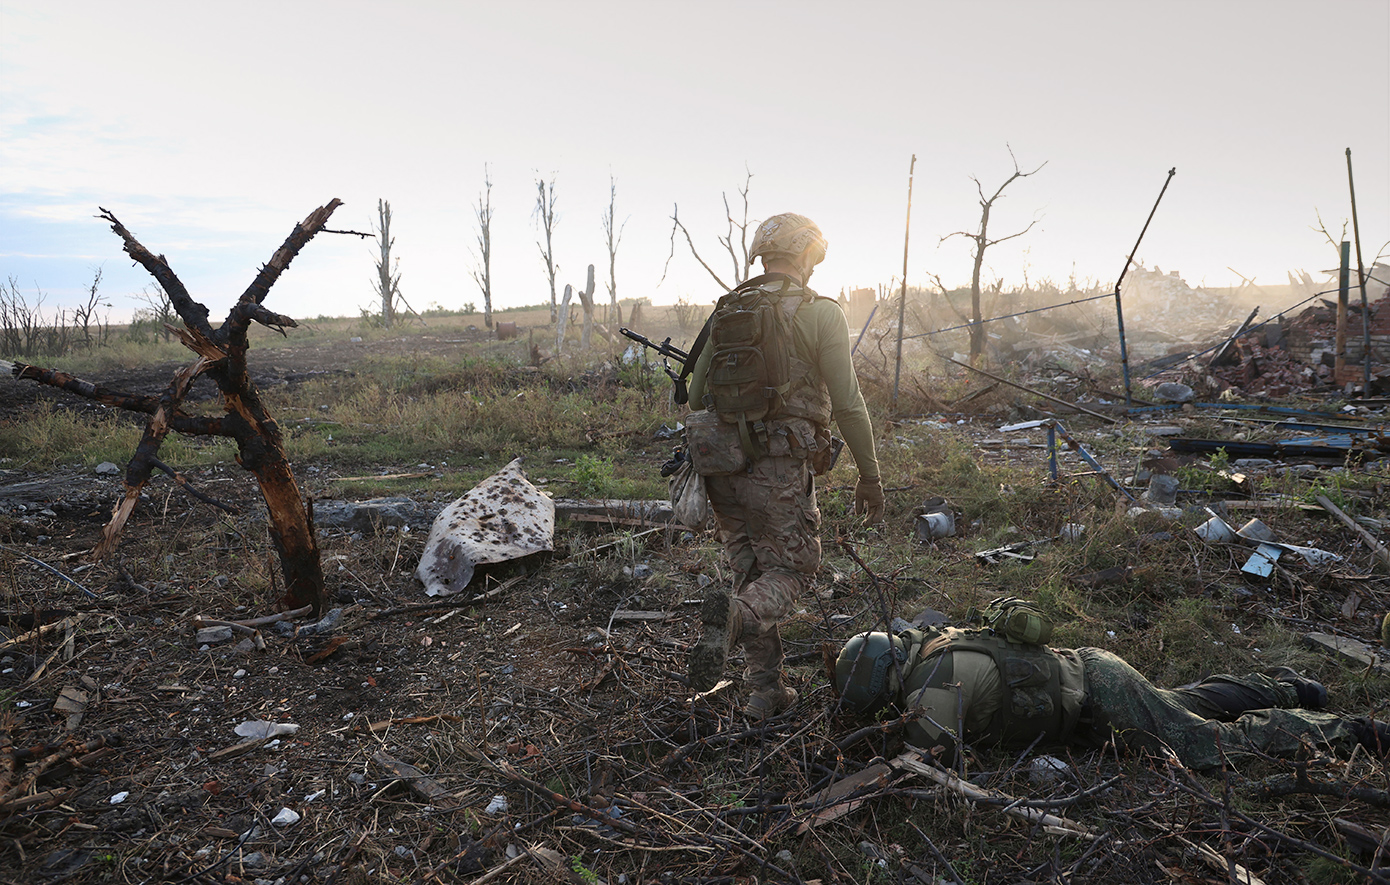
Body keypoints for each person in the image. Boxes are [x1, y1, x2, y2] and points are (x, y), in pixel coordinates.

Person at [684, 213, 883, 718]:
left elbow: (691, 394)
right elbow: (848, 402)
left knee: (751, 569)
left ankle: (764, 691)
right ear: (806, 255)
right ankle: (733, 620)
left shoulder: (730, 308)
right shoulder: (820, 313)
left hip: (721, 466)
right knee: (795, 567)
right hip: (777, 465)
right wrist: (870, 475)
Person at [833, 620, 1389, 772]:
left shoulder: (932, 686)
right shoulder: (933, 644)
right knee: (1182, 703)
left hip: (1098, 699)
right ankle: (1291, 687)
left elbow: (933, 756)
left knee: (1202, 746)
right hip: (1093, 682)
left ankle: (1355, 731)